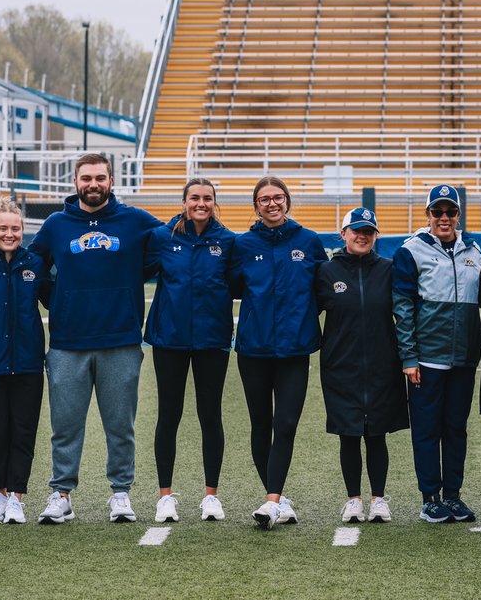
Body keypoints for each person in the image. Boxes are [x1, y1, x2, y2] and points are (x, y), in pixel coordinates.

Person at [28, 153, 163, 524]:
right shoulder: (56, 224)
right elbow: (31, 264)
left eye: (100, 178)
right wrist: (54, 298)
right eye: (86, 178)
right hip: (67, 343)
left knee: (120, 425)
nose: (93, 184)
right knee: (65, 425)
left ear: (111, 181)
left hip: (120, 340)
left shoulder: (134, 220)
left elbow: (168, 245)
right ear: (75, 181)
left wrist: (134, 275)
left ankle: (120, 493)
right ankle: (61, 494)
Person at [231, 175, 326, 529]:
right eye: (264, 199)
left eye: (278, 197)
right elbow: (233, 287)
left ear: (287, 201)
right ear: (256, 205)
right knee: (260, 425)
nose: (272, 203)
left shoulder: (309, 241)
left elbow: (321, 289)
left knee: (285, 424)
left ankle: (271, 501)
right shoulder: (243, 245)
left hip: (294, 349)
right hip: (253, 350)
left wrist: (299, 319)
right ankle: (276, 497)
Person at [393, 184, 481, 524]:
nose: (444, 218)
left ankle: (453, 496)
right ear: (428, 214)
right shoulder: (411, 251)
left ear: (458, 214)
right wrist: (409, 356)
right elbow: (402, 308)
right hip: (427, 359)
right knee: (427, 430)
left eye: (450, 212)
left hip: (464, 358)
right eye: (438, 212)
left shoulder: (473, 250)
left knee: (456, 429)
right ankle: (429, 497)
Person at [143, 178, 236, 523]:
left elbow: (242, 283)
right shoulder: (162, 238)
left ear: (215, 202)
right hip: (170, 338)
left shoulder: (228, 242)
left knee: (210, 415)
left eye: (207, 198)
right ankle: (165, 497)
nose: (201, 203)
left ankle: (211, 496)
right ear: (183, 201)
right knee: (169, 415)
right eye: (195, 197)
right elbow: (135, 271)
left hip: (212, 340)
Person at [315, 208, 408, 524]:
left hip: (383, 366)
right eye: (356, 230)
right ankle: (353, 499)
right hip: (341, 367)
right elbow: (306, 314)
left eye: (368, 231)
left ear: (375, 236)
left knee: (377, 435)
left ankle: (378, 499)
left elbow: (405, 314)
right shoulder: (326, 272)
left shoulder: (389, 269)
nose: (362, 235)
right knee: (349, 435)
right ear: (343, 234)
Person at [0, 199, 50, 525]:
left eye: (15, 228)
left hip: (28, 364)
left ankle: (17, 497)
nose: (9, 233)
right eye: (3, 228)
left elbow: (56, 298)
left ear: (22, 230)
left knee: (23, 431)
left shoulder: (34, 264)